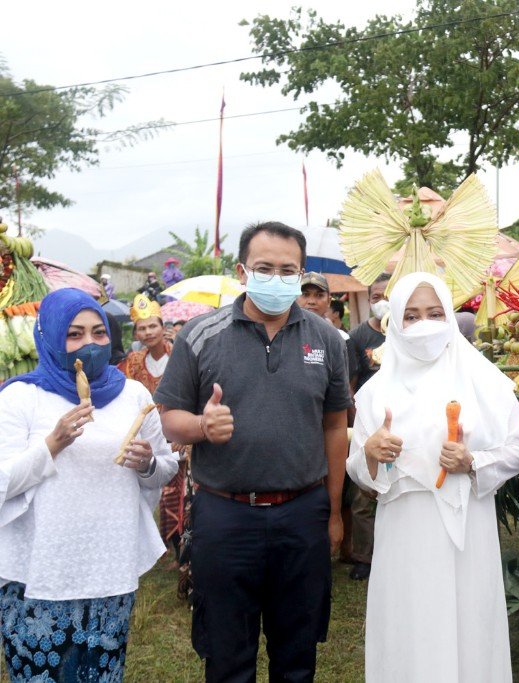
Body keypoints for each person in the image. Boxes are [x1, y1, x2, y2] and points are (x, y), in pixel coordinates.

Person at [155, 222, 351, 682]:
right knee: (226, 654)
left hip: (302, 512)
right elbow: (169, 418)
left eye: (288, 270)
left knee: (298, 653)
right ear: (243, 271)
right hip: (226, 516)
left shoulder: (324, 339)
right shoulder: (201, 334)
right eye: (265, 268)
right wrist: (203, 425)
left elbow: (335, 424)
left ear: (301, 274)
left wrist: (335, 511)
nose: (277, 278)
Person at [347, 272, 519, 682]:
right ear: (394, 320)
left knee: (469, 624)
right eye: (411, 316)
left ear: (450, 315)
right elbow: (357, 466)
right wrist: (373, 454)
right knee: (409, 626)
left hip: (467, 526)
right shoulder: (375, 392)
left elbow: (518, 449)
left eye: (434, 313)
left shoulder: (485, 381)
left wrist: (473, 461)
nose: (424, 324)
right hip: (404, 530)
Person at [0, 289, 177, 682]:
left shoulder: (132, 394)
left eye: (99, 333)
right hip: (38, 574)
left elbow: (165, 466)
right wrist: (52, 444)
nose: (90, 344)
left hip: (106, 569)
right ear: (49, 335)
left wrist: (147, 463)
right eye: (75, 334)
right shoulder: (20, 397)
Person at [118, 295, 187, 564]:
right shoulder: (133, 362)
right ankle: (147, 545)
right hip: (147, 437)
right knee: (146, 493)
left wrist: (185, 436)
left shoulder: (180, 356)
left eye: (152, 326)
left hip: (177, 435)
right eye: (142, 328)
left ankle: (181, 549)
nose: (148, 332)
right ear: (136, 332)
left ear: (163, 326)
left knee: (175, 495)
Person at [345, 273, 390, 581]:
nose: (382, 302)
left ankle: (394, 555)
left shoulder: (406, 332)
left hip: (402, 421)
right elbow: (349, 386)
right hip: (368, 420)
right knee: (364, 495)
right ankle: (364, 557)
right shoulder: (358, 337)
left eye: (388, 295)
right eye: (376, 297)